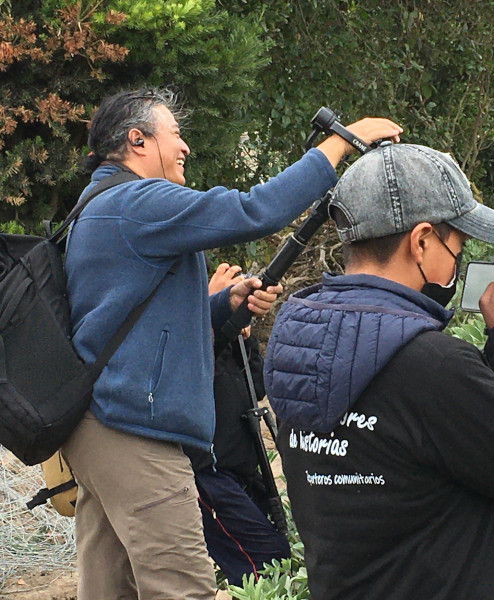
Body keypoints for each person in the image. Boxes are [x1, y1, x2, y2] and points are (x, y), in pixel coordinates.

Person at [61, 87, 401, 600]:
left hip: (98, 426)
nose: (184, 147)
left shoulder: (100, 206)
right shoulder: (136, 202)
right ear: (137, 141)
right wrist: (339, 143)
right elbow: (254, 210)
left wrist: (225, 304)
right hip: (133, 432)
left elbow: (135, 321)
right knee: (183, 588)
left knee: (111, 588)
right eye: (175, 134)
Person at [264, 143, 494, 600]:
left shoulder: (297, 347)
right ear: (421, 242)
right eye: (457, 247)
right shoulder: (430, 366)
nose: (458, 263)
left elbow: (397, 503)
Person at [187, 263, 290, 586]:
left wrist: (243, 338)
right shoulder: (191, 337)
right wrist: (210, 312)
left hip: (241, 471)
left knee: (276, 555)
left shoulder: (233, 342)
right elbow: (191, 380)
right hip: (207, 474)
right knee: (265, 561)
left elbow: (256, 388)